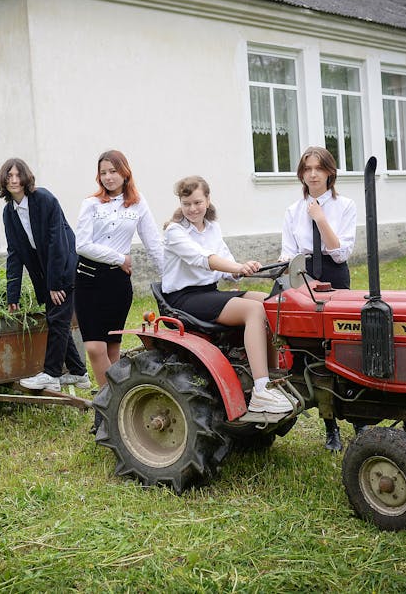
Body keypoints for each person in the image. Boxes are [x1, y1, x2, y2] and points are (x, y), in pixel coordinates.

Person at [161, 176, 293, 414]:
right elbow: (202, 259)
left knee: (271, 302)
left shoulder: (212, 228)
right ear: (180, 203)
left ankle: (275, 378)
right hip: (184, 299)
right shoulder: (174, 231)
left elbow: (228, 265)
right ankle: (261, 391)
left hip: (208, 293)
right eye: (186, 203)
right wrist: (236, 267)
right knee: (254, 310)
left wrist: (245, 268)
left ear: (208, 200)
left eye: (197, 202)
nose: (192, 208)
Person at [280, 145, 358, 451]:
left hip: (335, 274)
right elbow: (288, 253)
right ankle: (330, 428)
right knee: (313, 351)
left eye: (318, 168)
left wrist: (320, 217)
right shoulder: (292, 211)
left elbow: (340, 251)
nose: (312, 174)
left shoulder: (345, 205)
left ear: (330, 172)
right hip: (305, 278)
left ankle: (361, 423)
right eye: (307, 169)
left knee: (345, 346)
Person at [0, 158, 88, 393]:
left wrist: (56, 282)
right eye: (9, 177)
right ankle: (79, 372)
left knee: (57, 318)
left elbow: (57, 242)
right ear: (4, 181)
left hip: (63, 266)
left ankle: (51, 374)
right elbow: (14, 253)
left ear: (26, 177)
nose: (14, 180)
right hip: (44, 272)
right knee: (55, 318)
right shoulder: (9, 212)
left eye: (18, 175)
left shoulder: (44, 199)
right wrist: (12, 294)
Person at [75, 150, 163, 392]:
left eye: (113, 171)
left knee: (113, 348)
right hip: (88, 279)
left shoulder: (138, 203)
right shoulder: (91, 204)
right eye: (103, 173)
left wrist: (171, 278)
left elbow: (153, 243)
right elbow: (82, 245)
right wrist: (119, 257)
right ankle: (108, 404)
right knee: (95, 347)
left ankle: (119, 404)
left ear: (125, 173)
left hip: (117, 283)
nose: (108, 177)